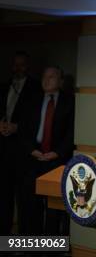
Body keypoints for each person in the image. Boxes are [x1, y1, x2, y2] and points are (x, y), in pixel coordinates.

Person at [18, 66, 74, 235]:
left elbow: (72, 132)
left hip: (57, 162)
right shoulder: (32, 100)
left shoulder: (69, 101)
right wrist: (31, 150)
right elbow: (23, 130)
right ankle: (31, 246)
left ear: (61, 81)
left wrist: (57, 152)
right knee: (31, 205)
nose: (46, 80)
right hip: (33, 160)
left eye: (51, 77)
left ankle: (51, 247)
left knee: (54, 209)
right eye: (44, 76)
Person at [0, 51, 41, 234]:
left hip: (24, 151)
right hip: (3, 149)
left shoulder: (35, 88)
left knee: (25, 198)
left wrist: (18, 127)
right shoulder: (4, 85)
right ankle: (4, 236)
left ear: (28, 66)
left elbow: (35, 119)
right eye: (15, 65)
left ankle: (25, 240)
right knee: (4, 195)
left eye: (22, 65)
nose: (18, 68)